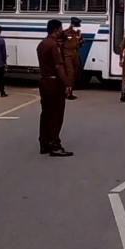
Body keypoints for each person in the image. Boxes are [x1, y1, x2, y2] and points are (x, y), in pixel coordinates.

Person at [36, 19, 73, 157]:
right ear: (56, 30)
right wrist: (67, 83)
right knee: (56, 114)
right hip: (54, 83)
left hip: (44, 81)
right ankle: (55, 144)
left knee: (46, 113)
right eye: (60, 29)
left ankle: (44, 142)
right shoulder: (53, 45)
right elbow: (58, 66)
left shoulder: (42, 44)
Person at [61, 17, 84, 100]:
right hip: (67, 55)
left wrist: (81, 41)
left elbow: (80, 43)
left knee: (75, 74)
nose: (77, 27)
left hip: (75, 54)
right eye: (76, 25)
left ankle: (70, 91)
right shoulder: (65, 33)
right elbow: (60, 43)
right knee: (69, 73)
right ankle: (67, 92)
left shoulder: (78, 33)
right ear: (72, 24)